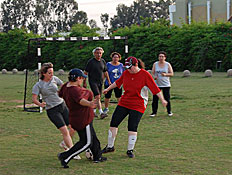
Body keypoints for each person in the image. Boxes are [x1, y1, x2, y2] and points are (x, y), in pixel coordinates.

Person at [101, 56, 167, 158]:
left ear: (136, 65)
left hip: (138, 104)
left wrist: (162, 100)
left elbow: (155, 89)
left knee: (132, 126)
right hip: (124, 102)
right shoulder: (126, 73)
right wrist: (108, 89)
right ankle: (110, 146)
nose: (128, 69)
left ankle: (130, 150)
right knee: (114, 122)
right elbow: (118, 82)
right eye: (126, 67)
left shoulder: (145, 74)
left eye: (130, 67)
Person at [58, 68, 107, 168]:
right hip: (83, 119)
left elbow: (60, 94)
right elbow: (80, 100)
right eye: (81, 78)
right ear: (77, 78)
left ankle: (97, 156)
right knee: (86, 142)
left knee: (93, 138)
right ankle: (65, 156)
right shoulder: (74, 90)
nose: (82, 80)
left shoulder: (65, 86)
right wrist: (90, 104)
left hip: (75, 117)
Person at [32, 63, 80, 158]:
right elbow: (34, 99)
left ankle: (64, 143)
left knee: (73, 127)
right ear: (44, 74)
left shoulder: (55, 79)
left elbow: (64, 86)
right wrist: (40, 104)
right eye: (49, 73)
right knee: (65, 131)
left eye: (52, 72)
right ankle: (72, 152)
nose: (51, 75)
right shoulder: (38, 85)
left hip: (62, 105)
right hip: (52, 110)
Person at [84, 47, 111, 119]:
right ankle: (101, 112)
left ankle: (93, 111)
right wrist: (84, 82)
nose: (98, 54)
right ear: (94, 54)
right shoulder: (91, 62)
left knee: (97, 97)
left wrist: (109, 81)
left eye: (100, 53)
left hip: (100, 81)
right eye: (97, 53)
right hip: (93, 81)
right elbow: (86, 72)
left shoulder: (103, 61)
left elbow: (105, 72)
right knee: (97, 96)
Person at [150, 51, 174, 117]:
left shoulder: (167, 64)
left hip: (166, 84)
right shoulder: (155, 64)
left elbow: (171, 74)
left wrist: (165, 74)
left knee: (167, 98)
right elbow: (152, 73)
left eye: (162, 56)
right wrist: (154, 77)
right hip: (157, 84)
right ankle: (154, 112)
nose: (161, 58)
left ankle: (169, 111)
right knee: (155, 99)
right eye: (160, 56)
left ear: (165, 57)